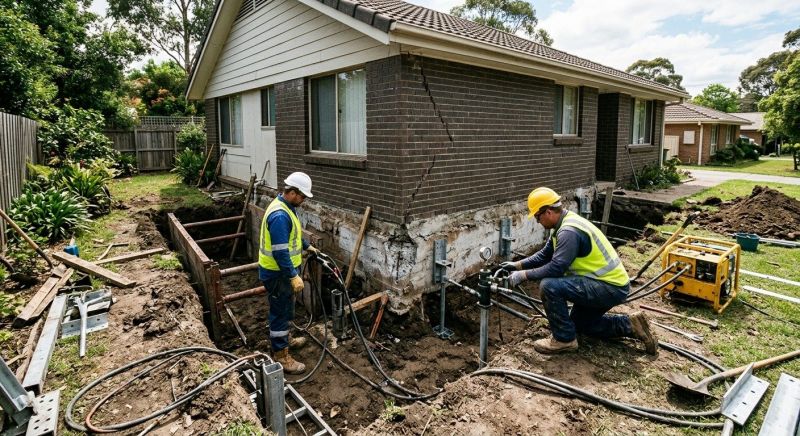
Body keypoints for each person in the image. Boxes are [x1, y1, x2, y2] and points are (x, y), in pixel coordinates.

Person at [500, 187, 657, 355]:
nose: (538, 222)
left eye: (537, 217)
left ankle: (564, 340)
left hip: (608, 287)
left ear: (547, 212)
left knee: (549, 286)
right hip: (607, 284)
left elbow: (556, 267)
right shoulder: (565, 223)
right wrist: (517, 266)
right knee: (580, 324)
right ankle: (630, 325)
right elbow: (545, 255)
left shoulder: (568, 232)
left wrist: (523, 276)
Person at [259, 171, 320, 373]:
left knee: (286, 310)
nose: (303, 200)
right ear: (292, 192)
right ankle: (281, 356)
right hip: (278, 274)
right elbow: (280, 251)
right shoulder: (279, 215)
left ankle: (285, 340)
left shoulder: (285, 207)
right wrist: (293, 275)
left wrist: (305, 245)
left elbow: (290, 237)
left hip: (282, 273)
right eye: (302, 196)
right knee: (280, 312)